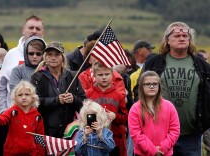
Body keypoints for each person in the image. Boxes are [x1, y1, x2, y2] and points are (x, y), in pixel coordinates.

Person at [138, 21, 210, 155]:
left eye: (185, 35)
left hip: (191, 134)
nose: (182, 38)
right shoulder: (154, 62)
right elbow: (139, 89)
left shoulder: (202, 65)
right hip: (158, 132)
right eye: (177, 35)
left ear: (190, 40)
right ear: (167, 40)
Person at [31, 41, 86, 138]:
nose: (53, 58)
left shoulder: (72, 76)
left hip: (70, 130)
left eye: (57, 55)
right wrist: (56, 100)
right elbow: (33, 102)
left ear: (62, 58)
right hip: (45, 128)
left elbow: (83, 101)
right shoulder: (37, 77)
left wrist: (73, 99)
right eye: (49, 55)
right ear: (45, 57)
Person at [0, 15, 45, 112]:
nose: (34, 31)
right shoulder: (12, 54)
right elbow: (1, 86)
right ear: (23, 30)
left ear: (43, 33)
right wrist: (3, 110)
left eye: (38, 29)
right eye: (31, 28)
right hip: (15, 112)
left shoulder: (49, 55)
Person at [0, 81, 45, 156]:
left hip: (30, 153)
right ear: (15, 98)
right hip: (11, 152)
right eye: (20, 95)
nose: (23, 97)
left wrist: (40, 154)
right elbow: (1, 121)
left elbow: (40, 138)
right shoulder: (12, 110)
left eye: (27, 94)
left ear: (33, 98)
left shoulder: (37, 116)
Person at [128, 71, 180, 156]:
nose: (151, 86)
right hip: (142, 154)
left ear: (159, 86)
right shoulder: (135, 108)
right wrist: (152, 150)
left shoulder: (169, 106)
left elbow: (175, 130)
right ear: (141, 87)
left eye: (155, 84)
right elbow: (136, 133)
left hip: (165, 153)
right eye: (147, 84)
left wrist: (163, 148)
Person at [86, 61, 128, 156]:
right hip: (94, 140)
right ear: (94, 76)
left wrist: (115, 116)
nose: (104, 77)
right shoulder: (89, 94)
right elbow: (83, 116)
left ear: (112, 75)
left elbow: (125, 117)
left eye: (107, 74)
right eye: (100, 75)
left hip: (114, 139)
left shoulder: (118, 95)